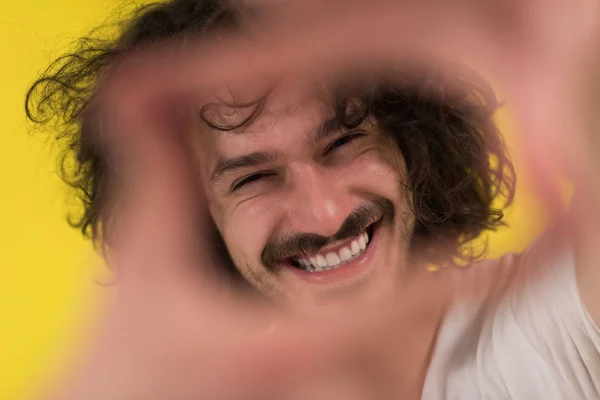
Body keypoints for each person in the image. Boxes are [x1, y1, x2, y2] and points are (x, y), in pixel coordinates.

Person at [26, 0, 600, 398]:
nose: (324, 213)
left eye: (344, 142)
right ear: (203, 225)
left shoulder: (552, 317)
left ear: (410, 147)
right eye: (253, 179)